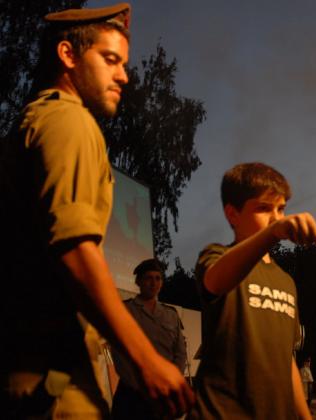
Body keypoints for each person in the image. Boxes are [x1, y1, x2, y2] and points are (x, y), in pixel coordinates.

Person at [0, 4, 193, 419]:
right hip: (51, 380)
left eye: (123, 63)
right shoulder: (69, 121)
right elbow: (76, 252)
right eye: (110, 60)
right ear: (68, 56)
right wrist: (146, 360)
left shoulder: (34, 119)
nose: (123, 75)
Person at [191, 162, 316, 419]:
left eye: (281, 209)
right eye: (264, 208)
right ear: (232, 214)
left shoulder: (286, 282)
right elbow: (215, 281)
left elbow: (287, 359)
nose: (276, 218)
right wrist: (272, 233)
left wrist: (305, 417)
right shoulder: (217, 256)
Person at [111, 258, 187, 419]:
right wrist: (140, 385)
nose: (154, 283)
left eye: (158, 278)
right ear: (138, 281)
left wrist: (171, 382)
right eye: (148, 278)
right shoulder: (125, 310)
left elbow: (180, 353)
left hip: (163, 395)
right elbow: (118, 351)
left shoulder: (171, 314)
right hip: (131, 395)